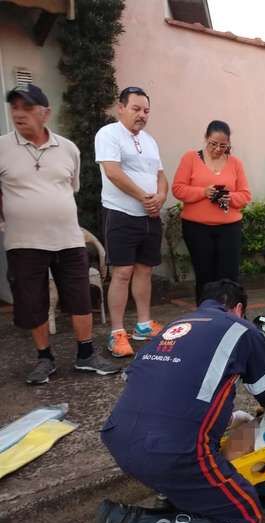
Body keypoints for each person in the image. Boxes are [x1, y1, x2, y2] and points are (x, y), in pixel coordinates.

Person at [86, 279, 265, 523]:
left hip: (119, 437)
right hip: (172, 449)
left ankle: (174, 492)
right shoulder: (240, 329)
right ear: (238, 308)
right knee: (244, 517)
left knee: (189, 437)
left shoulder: (173, 326)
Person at [0, 84, 120, 384]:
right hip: (24, 242)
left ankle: (86, 355)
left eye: (27, 108)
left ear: (45, 112)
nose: (19, 114)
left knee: (80, 297)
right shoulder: (2, 147)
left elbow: (71, 188)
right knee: (32, 301)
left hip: (68, 239)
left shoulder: (68, 149)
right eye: (15, 107)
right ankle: (44, 359)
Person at [95, 86, 168, 358]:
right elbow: (112, 172)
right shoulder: (108, 134)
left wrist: (160, 196)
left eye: (146, 110)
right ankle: (117, 333)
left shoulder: (149, 140)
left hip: (149, 216)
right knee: (122, 273)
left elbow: (160, 174)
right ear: (121, 108)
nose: (142, 115)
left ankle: (143, 324)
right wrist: (143, 197)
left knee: (144, 270)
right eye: (136, 109)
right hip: (120, 214)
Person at [172, 121, 252, 303]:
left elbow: (246, 195)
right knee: (204, 275)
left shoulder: (235, 163)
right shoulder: (190, 158)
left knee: (230, 276)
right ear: (206, 139)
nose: (217, 149)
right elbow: (178, 189)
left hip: (229, 228)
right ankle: (206, 315)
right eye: (213, 144)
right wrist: (203, 192)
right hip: (197, 228)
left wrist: (229, 197)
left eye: (223, 145)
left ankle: (232, 314)